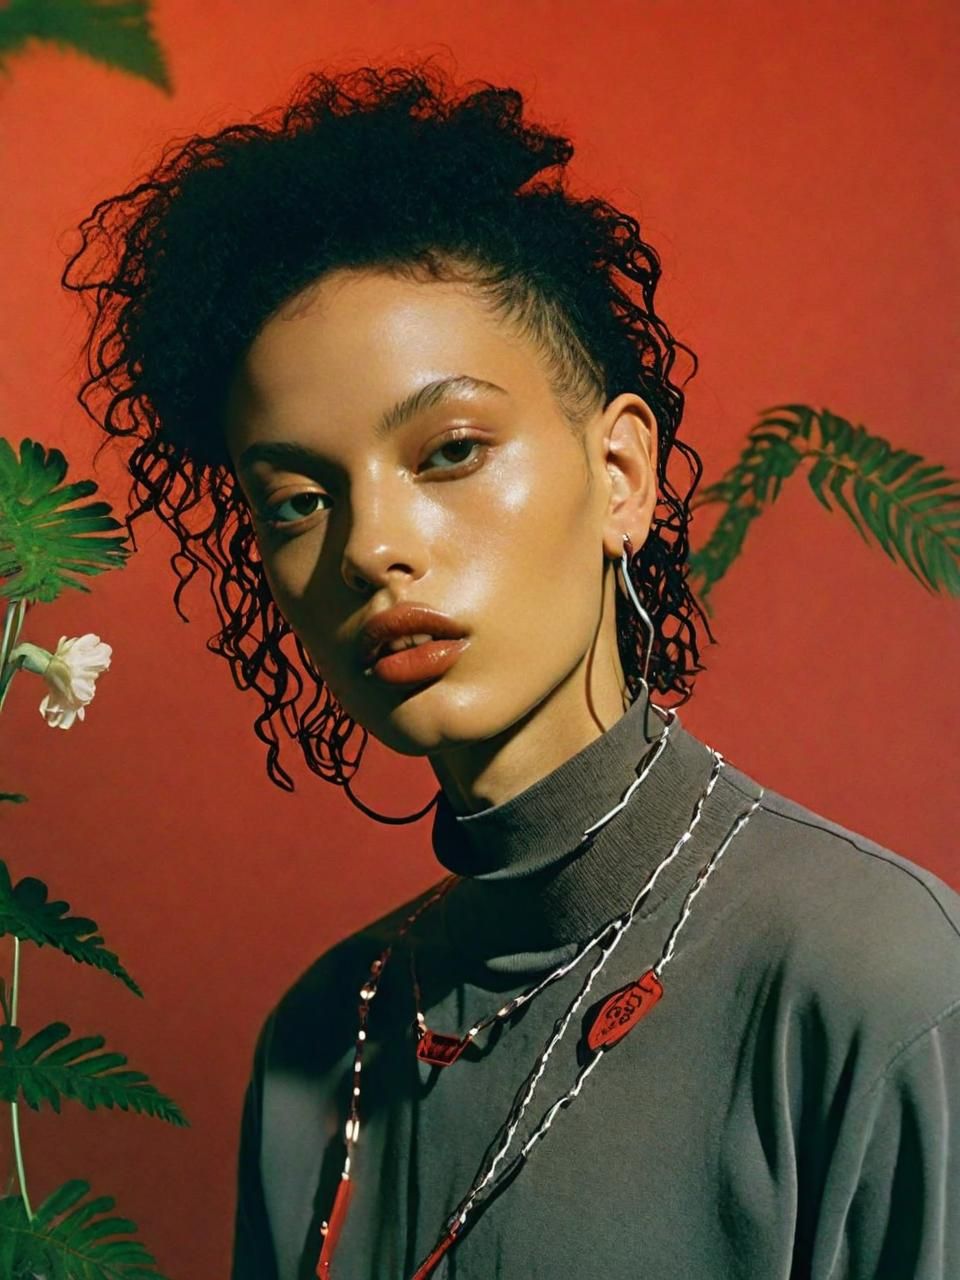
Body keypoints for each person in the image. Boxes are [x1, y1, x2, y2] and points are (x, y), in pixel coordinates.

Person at [62, 59, 959, 1280]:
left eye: (451, 449)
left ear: (623, 474)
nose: (372, 544)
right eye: (296, 499)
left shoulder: (875, 982)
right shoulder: (323, 1041)